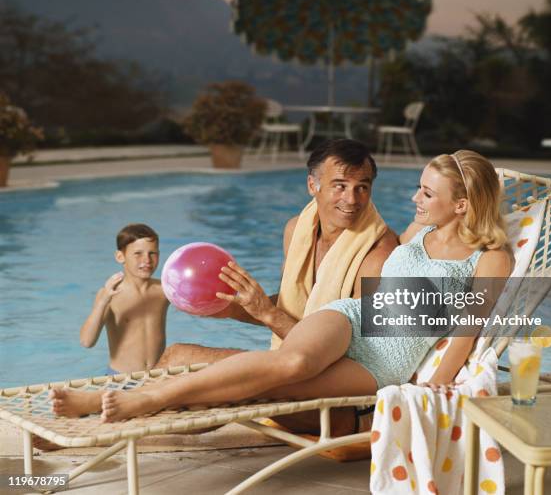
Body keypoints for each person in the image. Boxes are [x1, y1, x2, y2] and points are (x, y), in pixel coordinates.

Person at [50, 150, 513, 424]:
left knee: (273, 385)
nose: (415, 198)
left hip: (386, 361)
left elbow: (465, 335)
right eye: (420, 187)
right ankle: (139, 399)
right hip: (352, 319)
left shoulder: (490, 259)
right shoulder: (416, 235)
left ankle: (113, 402)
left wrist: (429, 394)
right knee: (288, 360)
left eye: (428, 193)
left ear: (462, 205)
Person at [155, 138, 397, 363]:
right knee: (174, 358)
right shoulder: (297, 230)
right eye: (340, 186)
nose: (352, 199)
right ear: (312, 185)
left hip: (332, 380)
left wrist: (267, 312)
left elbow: (356, 357)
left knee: (177, 357)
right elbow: (289, 309)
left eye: (362, 187)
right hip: (294, 360)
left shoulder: (380, 255)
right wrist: (232, 308)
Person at [80, 223, 169, 374]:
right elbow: (87, 341)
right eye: (138, 253)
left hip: (156, 376)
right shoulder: (110, 294)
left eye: (152, 253)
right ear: (120, 256)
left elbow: (198, 307)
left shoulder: (164, 290)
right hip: (121, 378)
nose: (147, 260)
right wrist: (104, 300)